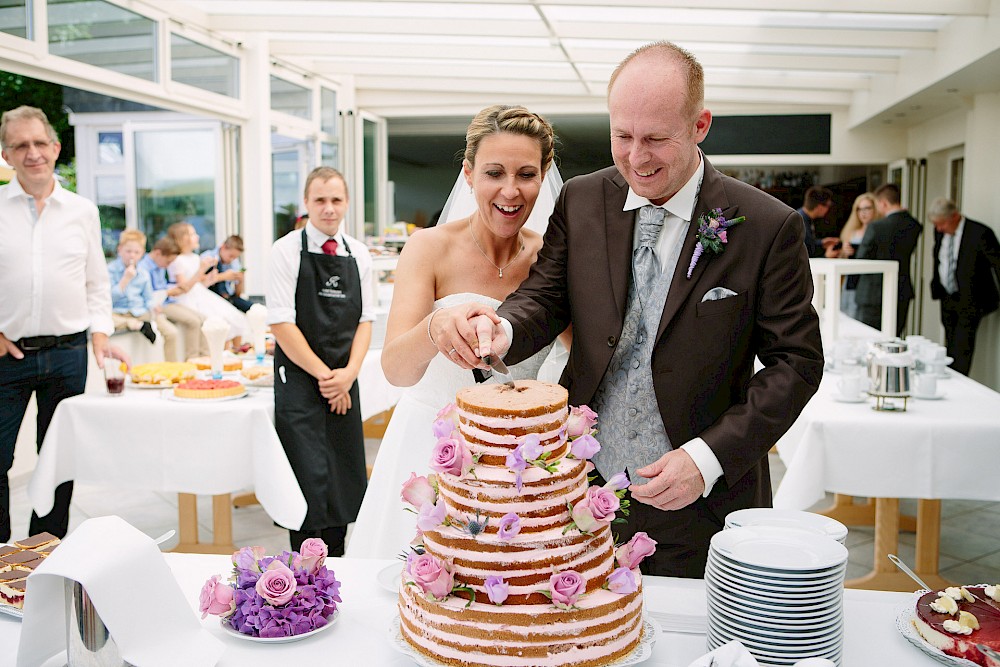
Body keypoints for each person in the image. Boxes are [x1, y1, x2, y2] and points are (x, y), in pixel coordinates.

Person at [433, 42, 824, 578]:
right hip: (576, 486)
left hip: (701, 501)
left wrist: (705, 460)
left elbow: (795, 364)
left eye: (657, 139)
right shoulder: (582, 199)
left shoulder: (766, 225)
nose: (637, 158)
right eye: (623, 136)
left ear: (700, 125)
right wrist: (502, 328)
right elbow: (545, 296)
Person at [345, 105, 564, 559]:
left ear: (544, 175)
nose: (510, 190)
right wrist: (435, 327)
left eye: (526, 173)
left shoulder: (554, 257)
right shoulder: (429, 248)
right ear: (468, 174)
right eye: (493, 173)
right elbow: (396, 371)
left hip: (523, 465)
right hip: (430, 449)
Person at [0, 105, 128, 541]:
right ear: (6, 154)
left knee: (58, 461)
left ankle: (43, 553)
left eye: (39, 143)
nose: (32, 153)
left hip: (70, 353)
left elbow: (97, 281)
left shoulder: (82, 211)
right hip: (8, 356)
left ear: (55, 148)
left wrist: (100, 334)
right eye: (20, 145)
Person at [266, 166, 374, 555]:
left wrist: (348, 375)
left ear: (346, 203)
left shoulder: (358, 254)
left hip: (344, 379)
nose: (329, 209)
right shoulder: (285, 250)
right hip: (299, 379)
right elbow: (281, 322)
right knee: (306, 481)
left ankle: (339, 567)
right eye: (320, 200)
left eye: (336, 200)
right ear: (306, 204)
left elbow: (365, 321)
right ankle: (302, 579)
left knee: (343, 478)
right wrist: (328, 378)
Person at [928, 197, 1000, 375]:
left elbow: (997, 265)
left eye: (941, 224)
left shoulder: (980, 233)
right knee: (950, 346)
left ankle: (958, 386)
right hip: (947, 298)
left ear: (954, 216)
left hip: (971, 300)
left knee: (962, 350)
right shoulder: (939, 233)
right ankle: (949, 380)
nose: (939, 229)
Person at [855, 182, 922, 336]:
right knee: (894, 337)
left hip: (872, 294)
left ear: (883, 203)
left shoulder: (876, 227)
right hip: (901, 289)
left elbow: (861, 258)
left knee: (870, 340)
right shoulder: (913, 225)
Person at [166, 221, 247, 346]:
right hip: (186, 299)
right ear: (183, 239)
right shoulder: (177, 260)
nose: (197, 237)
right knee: (219, 322)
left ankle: (233, 353)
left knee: (234, 316)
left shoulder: (194, 257)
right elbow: (184, 288)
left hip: (199, 294)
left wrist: (210, 278)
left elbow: (199, 284)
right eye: (193, 234)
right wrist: (201, 271)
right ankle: (222, 355)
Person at [137, 235, 210, 362]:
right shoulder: (144, 268)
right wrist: (170, 291)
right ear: (158, 253)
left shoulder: (159, 266)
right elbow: (150, 295)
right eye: (168, 262)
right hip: (160, 305)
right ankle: (193, 360)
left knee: (203, 319)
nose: (168, 265)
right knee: (193, 321)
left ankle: (205, 357)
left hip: (168, 301)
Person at [107, 229, 157, 344]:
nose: (132, 255)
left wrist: (154, 307)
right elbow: (108, 299)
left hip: (139, 312)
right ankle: (135, 325)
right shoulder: (110, 270)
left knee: (161, 320)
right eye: (128, 251)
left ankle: (136, 324)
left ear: (142, 253)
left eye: (136, 252)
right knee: (104, 320)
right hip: (117, 312)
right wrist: (125, 280)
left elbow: (148, 298)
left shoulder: (143, 273)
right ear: (119, 250)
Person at [837, 192, 878, 320]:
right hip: (851, 280)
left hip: (868, 281)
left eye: (867, 208)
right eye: (859, 209)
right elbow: (841, 261)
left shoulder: (878, 231)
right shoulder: (851, 231)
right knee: (846, 315)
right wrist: (844, 251)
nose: (863, 213)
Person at [201, 235, 253, 313]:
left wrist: (240, 281)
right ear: (223, 247)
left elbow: (238, 294)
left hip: (229, 297)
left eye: (235, 257)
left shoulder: (234, 263)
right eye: (231, 256)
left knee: (253, 308)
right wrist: (224, 276)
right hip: (211, 297)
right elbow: (198, 283)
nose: (232, 260)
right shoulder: (207, 258)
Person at [797, 185, 840, 258]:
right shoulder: (799, 221)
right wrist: (826, 257)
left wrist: (821, 243)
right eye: (828, 206)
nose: (828, 210)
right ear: (819, 206)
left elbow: (808, 243)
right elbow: (805, 252)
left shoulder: (802, 217)